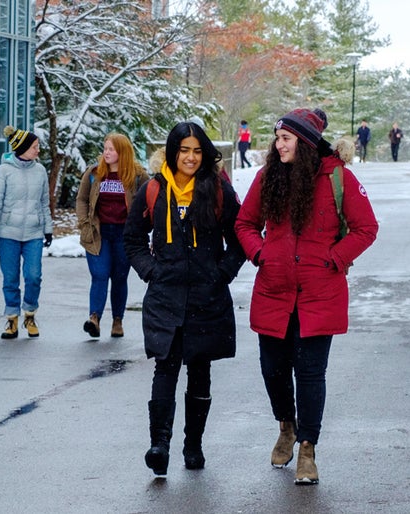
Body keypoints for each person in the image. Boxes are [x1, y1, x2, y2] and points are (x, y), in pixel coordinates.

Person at [234, 109, 379, 485]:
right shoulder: (267, 177)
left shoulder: (337, 178)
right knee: (273, 371)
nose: (277, 144)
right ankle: (286, 424)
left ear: (306, 142)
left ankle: (308, 449)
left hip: (320, 294)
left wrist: (334, 258)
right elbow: (244, 223)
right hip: (274, 291)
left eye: (285, 138)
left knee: (311, 374)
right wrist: (260, 253)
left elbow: (366, 228)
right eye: (277, 138)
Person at [124, 121, 247, 477]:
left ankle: (193, 444)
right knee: (165, 366)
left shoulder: (218, 190)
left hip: (207, 298)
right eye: (184, 150)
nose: (191, 157)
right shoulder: (153, 190)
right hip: (165, 296)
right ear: (172, 152)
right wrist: (150, 270)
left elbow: (240, 237)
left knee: (200, 371)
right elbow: (132, 239)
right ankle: (159, 443)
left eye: (196, 150)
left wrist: (222, 273)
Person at [75, 133, 150, 338]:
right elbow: (82, 200)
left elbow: (149, 201)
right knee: (99, 275)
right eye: (105, 148)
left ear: (122, 152)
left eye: (111, 149)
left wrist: (143, 225)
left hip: (124, 235)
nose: (106, 153)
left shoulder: (137, 176)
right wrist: (84, 223)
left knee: (119, 277)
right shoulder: (94, 173)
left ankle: (118, 320)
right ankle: (94, 318)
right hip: (98, 233)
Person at [0, 125, 53, 339]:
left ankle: (30, 314)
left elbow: (45, 203)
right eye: (34, 147)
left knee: (34, 276)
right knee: (11, 278)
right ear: (22, 148)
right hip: (8, 233)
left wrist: (48, 229)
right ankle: (11, 320)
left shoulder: (40, 171)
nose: (38, 150)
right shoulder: (3, 171)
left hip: (33, 233)